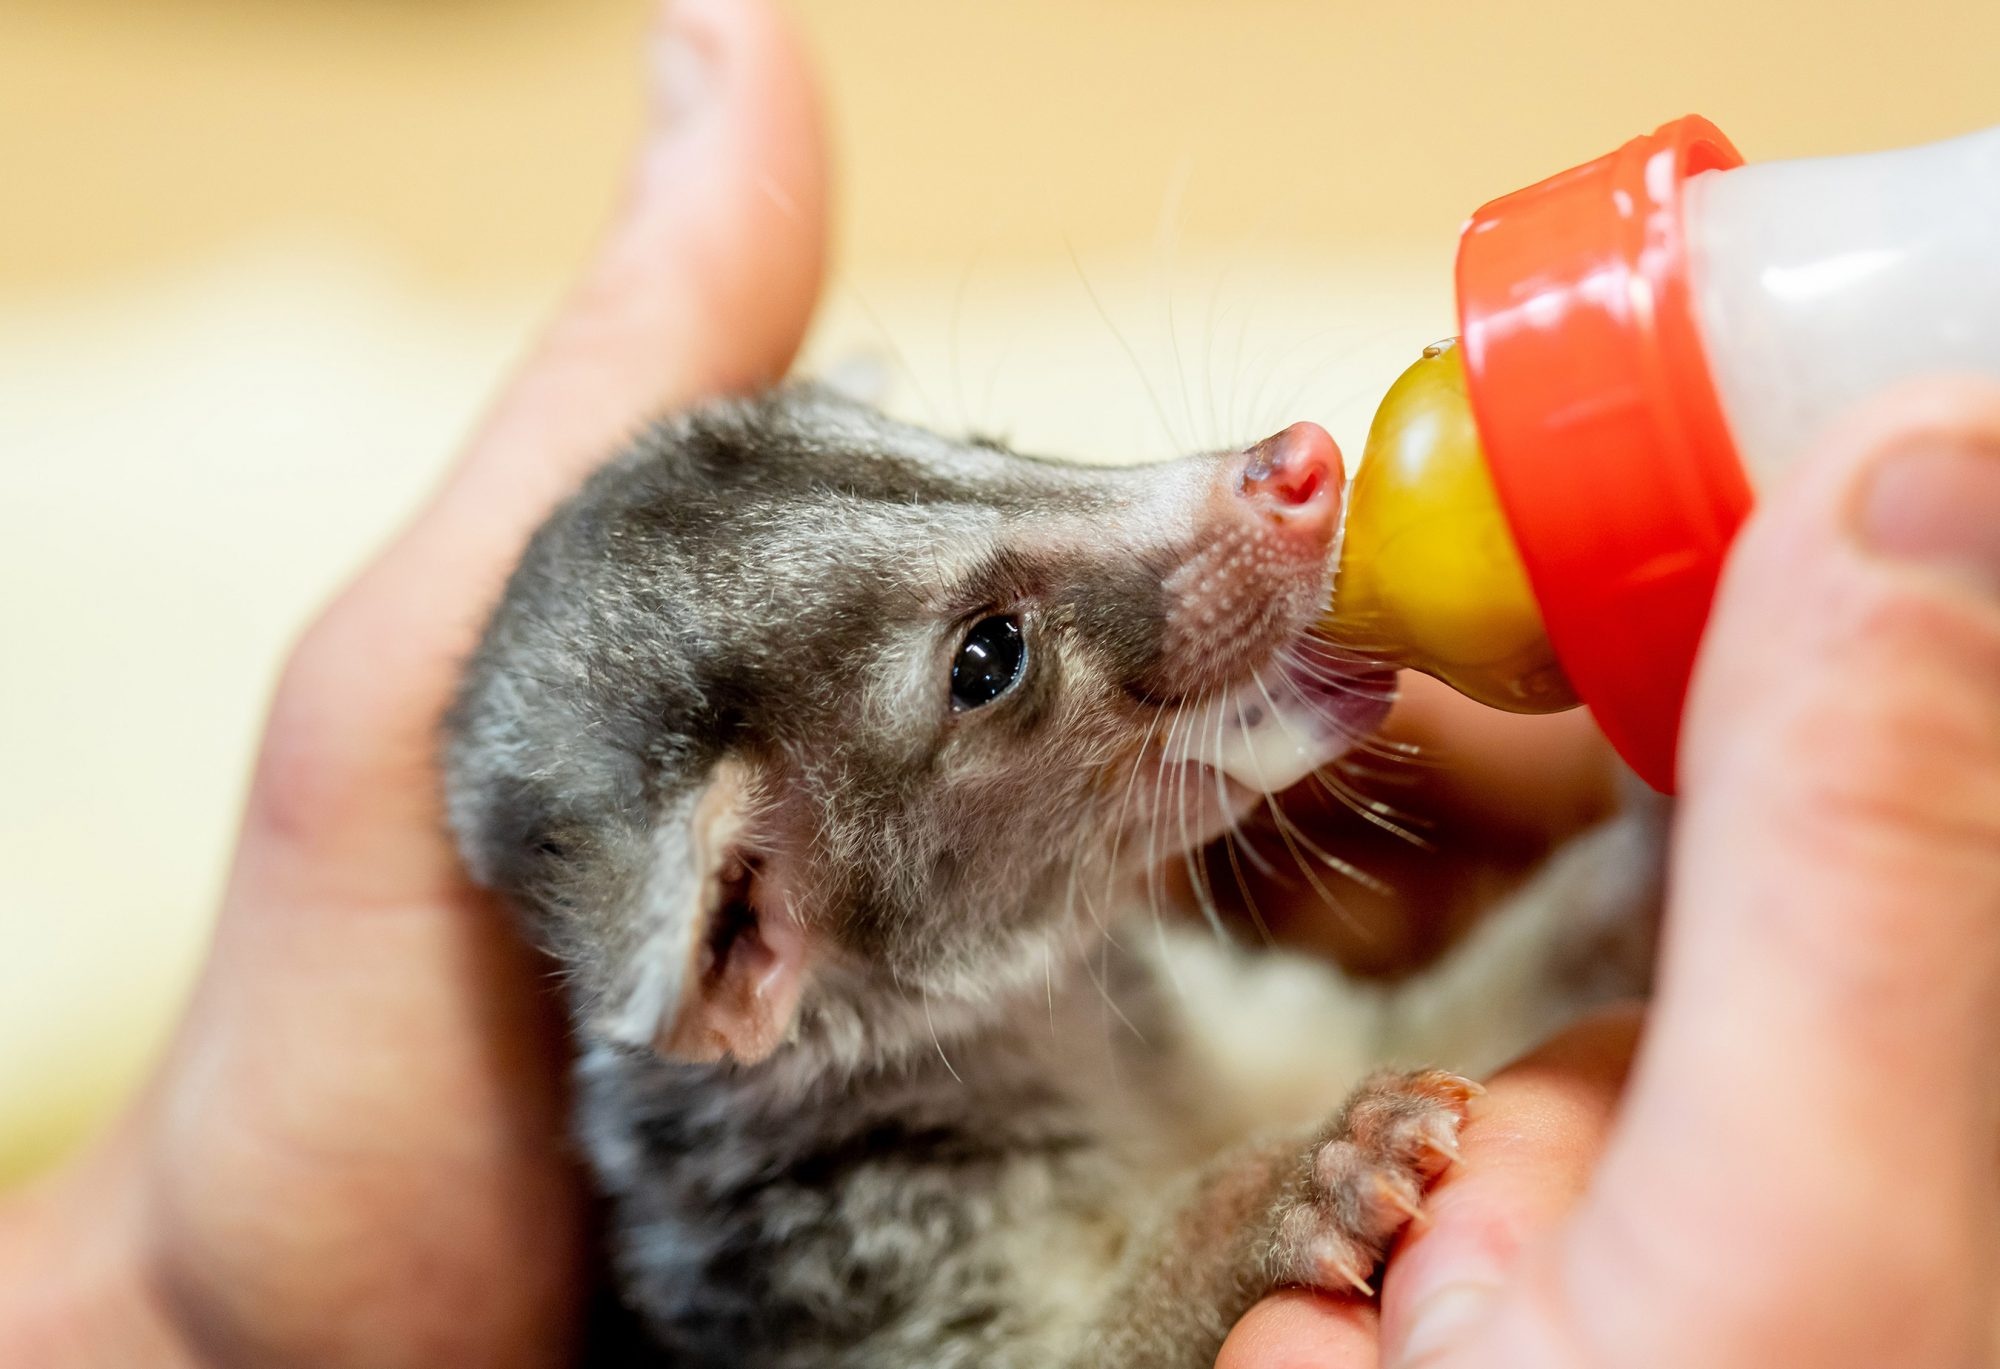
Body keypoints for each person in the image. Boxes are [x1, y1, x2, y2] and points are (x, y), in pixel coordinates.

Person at [3, 2, 1995, 1364]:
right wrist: (1218, 1242)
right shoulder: (813, 1235)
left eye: (967, 470)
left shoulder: (1064, 961)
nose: (1257, 487)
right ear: (750, 941)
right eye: (988, 657)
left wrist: (1653, 855)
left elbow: (1394, 1073)